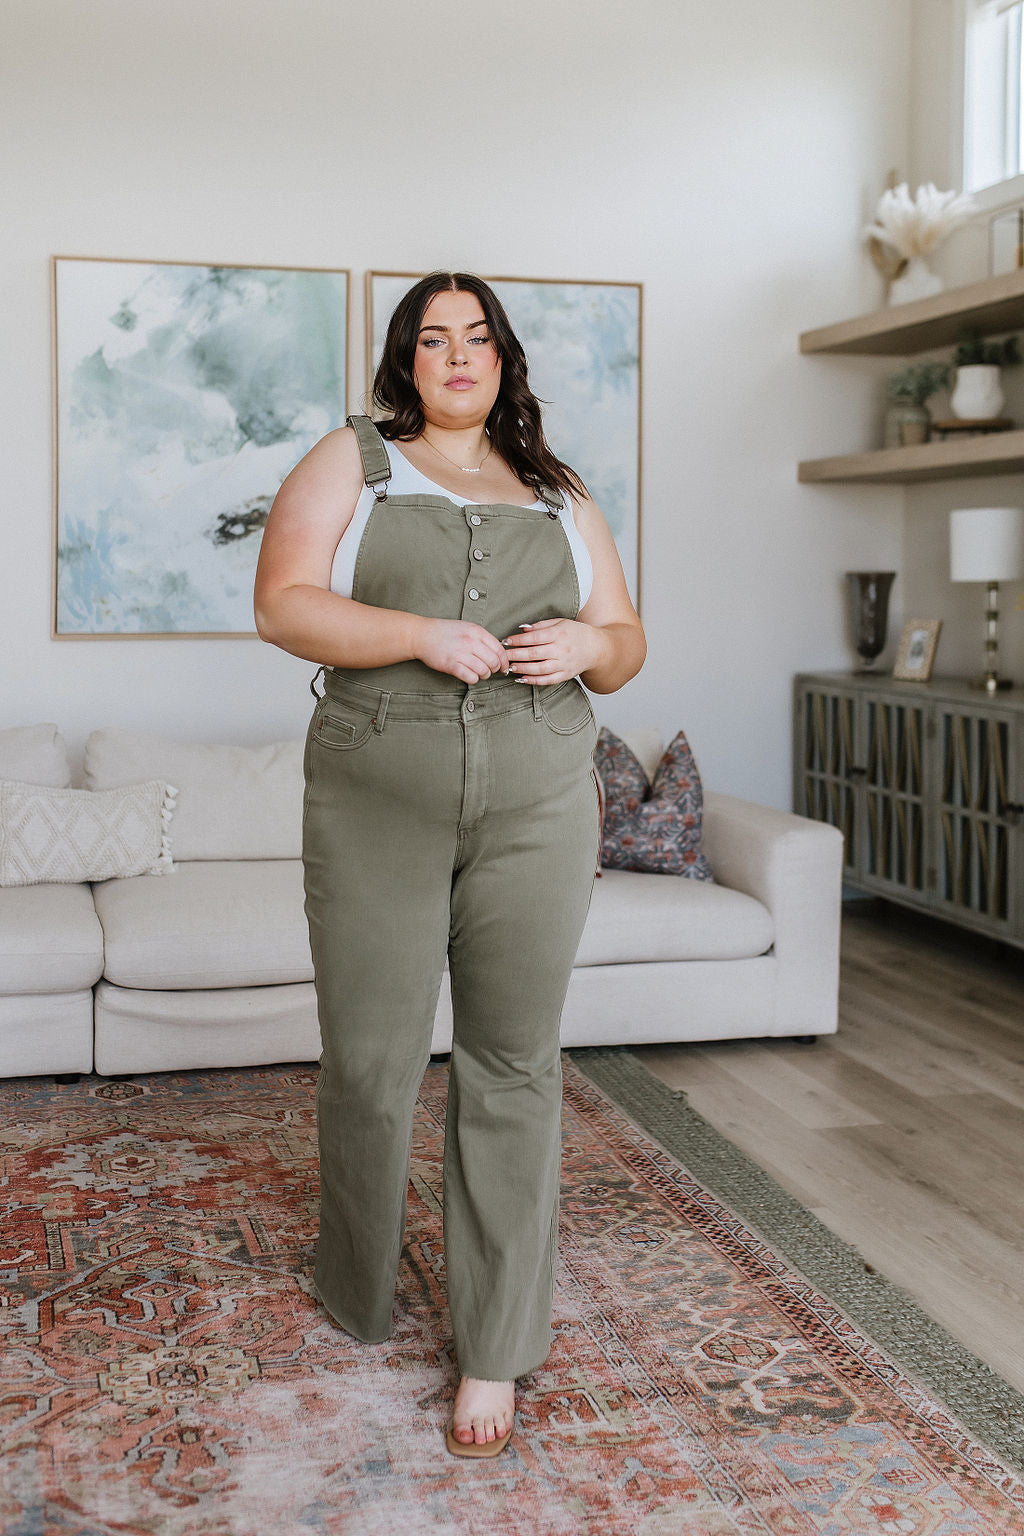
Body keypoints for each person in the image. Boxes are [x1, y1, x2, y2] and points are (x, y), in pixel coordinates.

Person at [254, 271, 645, 1457]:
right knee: (371, 1063)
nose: (458, 355)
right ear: (406, 361)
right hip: (377, 796)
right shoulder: (354, 461)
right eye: (434, 339)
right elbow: (283, 605)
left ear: (503, 358)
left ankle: (495, 1347)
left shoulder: (559, 489)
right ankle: (357, 1280)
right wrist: (420, 635)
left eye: (477, 336)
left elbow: (626, 643)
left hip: (540, 795)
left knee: (513, 1064)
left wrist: (587, 643)